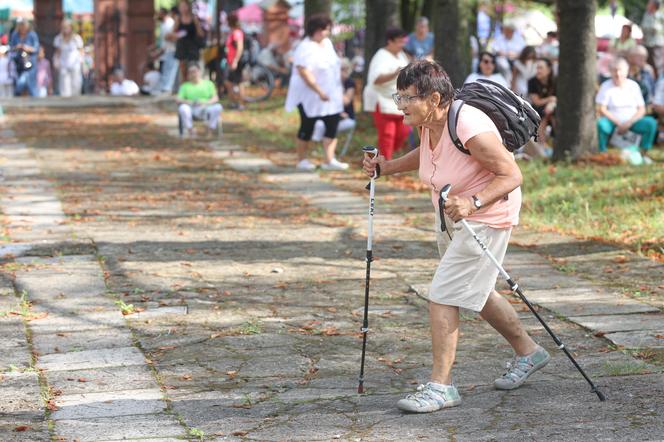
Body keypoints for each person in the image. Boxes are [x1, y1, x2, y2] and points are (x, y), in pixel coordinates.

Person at [362, 59, 550, 414]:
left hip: (486, 213)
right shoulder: (430, 121)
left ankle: (441, 386)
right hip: (452, 210)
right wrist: (387, 167)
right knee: (475, 291)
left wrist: (473, 202)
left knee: (444, 293)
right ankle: (530, 352)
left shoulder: (468, 123)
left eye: (406, 98)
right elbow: (430, 154)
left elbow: (511, 174)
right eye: (397, 97)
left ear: (433, 98)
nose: (399, 105)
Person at [284, 13, 348, 171]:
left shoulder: (327, 43)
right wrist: (319, 91)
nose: (328, 32)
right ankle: (302, 159)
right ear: (318, 30)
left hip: (331, 92)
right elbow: (304, 71)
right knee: (307, 125)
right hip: (309, 95)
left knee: (332, 123)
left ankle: (329, 159)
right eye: (326, 29)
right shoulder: (304, 47)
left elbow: (333, 65)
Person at [596, 58, 656, 162]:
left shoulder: (634, 86)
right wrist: (618, 123)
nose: (618, 74)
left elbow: (641, 109)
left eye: (620, 70)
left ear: (626, 71)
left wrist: (629, 123)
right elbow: (601, 109)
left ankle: (643, 151)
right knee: (601, 125)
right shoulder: (605, 86)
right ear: (610, 72)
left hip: (632, 120)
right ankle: (602, 152)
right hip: (613, 121)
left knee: (651, 123)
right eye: (615, 70)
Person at [363, 27, 411, 160]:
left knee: (404, 131)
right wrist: (395, 73)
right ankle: (385, 164)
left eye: (403, 42)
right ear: (390, 41)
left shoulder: (401, 55)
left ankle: (382, 158)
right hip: (382, 99)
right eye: (399, 42)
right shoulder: (381, 56)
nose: (402, 45)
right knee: (387, 134)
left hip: (399, 100)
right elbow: (376, 79)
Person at [312, 58, 356, 143]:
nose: (343, 72)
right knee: (319, 125)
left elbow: (346, 102)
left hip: (347, 118)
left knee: (329, 127)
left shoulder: (349, 83)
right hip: (328, 115)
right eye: (341, 69)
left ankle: (327, 150)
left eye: (345, 69)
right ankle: (316, 148)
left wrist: (339, 87)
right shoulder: (328, 82)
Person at [177, 64, 222, 137]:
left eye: (195, 71)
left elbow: (215, 98)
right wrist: (189, 102)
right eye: (191, 72)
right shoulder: (185, 86)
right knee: (183, 108)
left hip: (206, 107)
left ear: (200, 72)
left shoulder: (209, 84)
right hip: (191, 108)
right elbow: (178, 99)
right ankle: (190, 130)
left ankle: (210, 130)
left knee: (218, 107)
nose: (193, 74)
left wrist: (206, 103)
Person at [174, 0, 205, 84]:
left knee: (193, 68)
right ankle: (184, 89)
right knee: (183, 69)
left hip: (192, 47)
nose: (183, 8)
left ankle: (193, 87)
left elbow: (200, 33)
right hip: (182, 46)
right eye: (181, 6)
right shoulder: (178, 18)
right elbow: (173, 32)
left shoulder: (194, 18)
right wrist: (177, 35)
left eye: (184, 6)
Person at [528, 58, 556, 148]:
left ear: (548, 70)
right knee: (544, 114)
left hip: (553, 108)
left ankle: (555, 141)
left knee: (553, 113)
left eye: (540, 68)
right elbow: (536, 102)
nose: (538, 71)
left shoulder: (556, 81)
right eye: (537, 68)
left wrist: (551, 104)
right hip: (537, 108)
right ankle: (543, 144)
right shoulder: (532, 81)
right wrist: (550, 99)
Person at [53, 19, 84, 97]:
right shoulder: (58, 39)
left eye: (67, 27)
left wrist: (82, 62)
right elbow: (57, 52)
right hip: (63, 64)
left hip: (75, 64)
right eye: (64, 27)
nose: (65, 29)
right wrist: (56, 62)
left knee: (76, 85)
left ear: (71, 28)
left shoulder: (77, 38)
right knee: (64, 86)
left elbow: (81, 51)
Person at [10, 18, 39, 97]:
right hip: (19, 63)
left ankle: (34, 104)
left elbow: (36, 48)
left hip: (30, 63)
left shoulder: (32, 35)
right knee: (21, 83)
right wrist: (17, 47)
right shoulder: (15, 35)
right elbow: (11, 49)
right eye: (21, 25)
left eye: (24, 25)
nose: (22, 28)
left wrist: (27, 48)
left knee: (30, 84)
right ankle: (19, 102)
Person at [224, 12, 246, 109]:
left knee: (238, 82)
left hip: (236, 62)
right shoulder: (232, 32)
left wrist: (235, 61)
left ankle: (240, 103)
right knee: (230, 82)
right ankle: (233, 102)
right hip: (231, 61)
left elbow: (240, 48)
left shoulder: (237, 33)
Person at [157, 7, 178, 94]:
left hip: (172, 49)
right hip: (166, 50)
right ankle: (165, 88)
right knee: (166, 69)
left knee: (171, 70)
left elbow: (172, 37)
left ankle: (168, 88)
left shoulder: (170, 23)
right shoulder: (163, 24)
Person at [640, 0, 664, 77]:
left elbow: (657, 29)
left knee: (657, 65)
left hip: (656, 45)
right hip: (647, 43)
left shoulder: (660, 16)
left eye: (649, 3)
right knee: (647, 64)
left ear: (654, 6)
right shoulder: (646, 14)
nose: (647, 5)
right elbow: (644, 27)